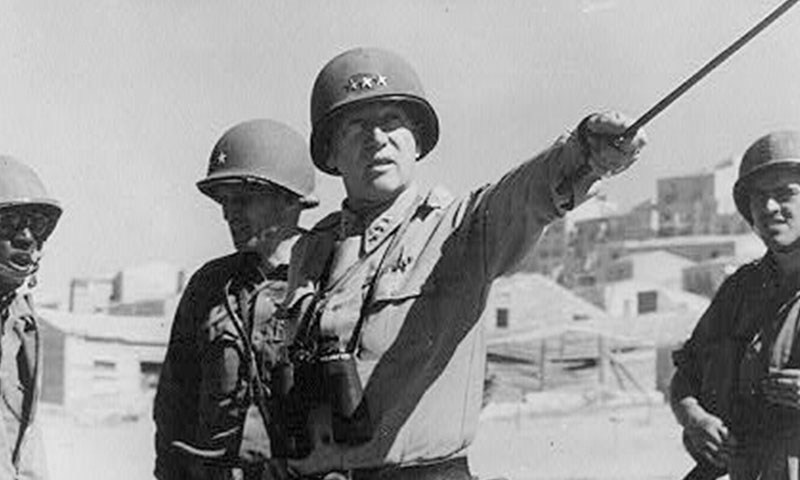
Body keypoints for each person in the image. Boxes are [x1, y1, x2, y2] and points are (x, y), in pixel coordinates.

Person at [280, 47, 646, 479]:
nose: (376, 138)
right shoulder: (311, 252)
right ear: (330, 152)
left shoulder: (458, 231)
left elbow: (523, 196)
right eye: (355, 126)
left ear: (417, 140)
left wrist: (583, 153)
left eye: (391, 121)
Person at [153, 119, 318, 480]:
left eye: (242, 200)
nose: (229, 214)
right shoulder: (209, 286)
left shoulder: (331, 276)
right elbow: (173, 409)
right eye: (225, 202)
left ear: (289, 199)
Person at [671, 130, 800, 480]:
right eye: (759, 197)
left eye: (784, 193)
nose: (769, 207)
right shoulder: (739, 291)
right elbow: (686, 377)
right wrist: (695, 419)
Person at [0, 156, 62, 480]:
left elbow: (25, 443)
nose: (25, 238)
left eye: (36, 224)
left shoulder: (20, 323)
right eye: (9, 223)